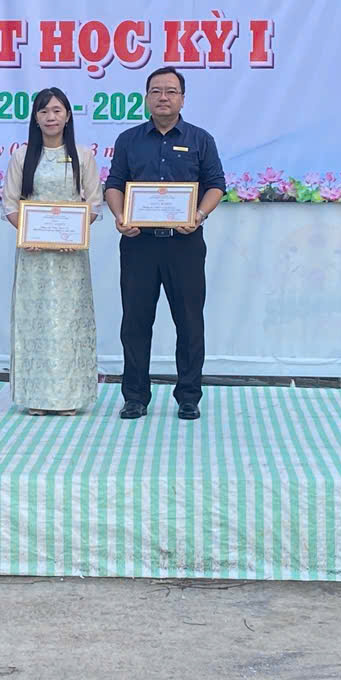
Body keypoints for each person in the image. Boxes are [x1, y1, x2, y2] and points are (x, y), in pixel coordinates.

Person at [104, 67, 225, 421]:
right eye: (156, 91)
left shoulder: (201, 139)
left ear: (182, 99)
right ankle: (135, 396)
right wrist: (120, 216)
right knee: (135, 322)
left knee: (189, 321)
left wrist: (198, 215)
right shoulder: (129, 140)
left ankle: (188, 395)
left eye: (171, 91)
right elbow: (114, 184)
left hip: (184, 244)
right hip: (138, 243)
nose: (163, 97)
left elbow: (216, 184)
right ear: (146, 98)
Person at [2, 88, 102, 415]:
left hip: (70, 257)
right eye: (44, 111)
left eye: (57, 111)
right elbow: (10, 203)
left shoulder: (83, 156)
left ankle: (69, 398)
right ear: (35, 118)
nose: (51, 117)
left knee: (69, 323)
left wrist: (73, 233)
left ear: (68, 116)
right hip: (33, 255)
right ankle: (37, 398)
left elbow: (94, 203)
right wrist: (27, 232)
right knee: (36, 323)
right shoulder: (22, 156)